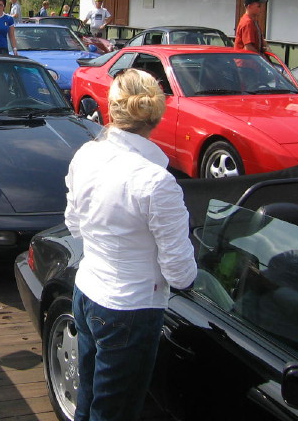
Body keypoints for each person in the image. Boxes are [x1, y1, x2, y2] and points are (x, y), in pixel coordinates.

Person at [65, 69, 197, 421]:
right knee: (115, 412)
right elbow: (180, 274)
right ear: (157, 115)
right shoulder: (157, 182)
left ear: (112, 107)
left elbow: (74, 225)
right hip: (130, 311)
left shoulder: (85, 155)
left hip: (87, 292)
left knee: (89, 398)